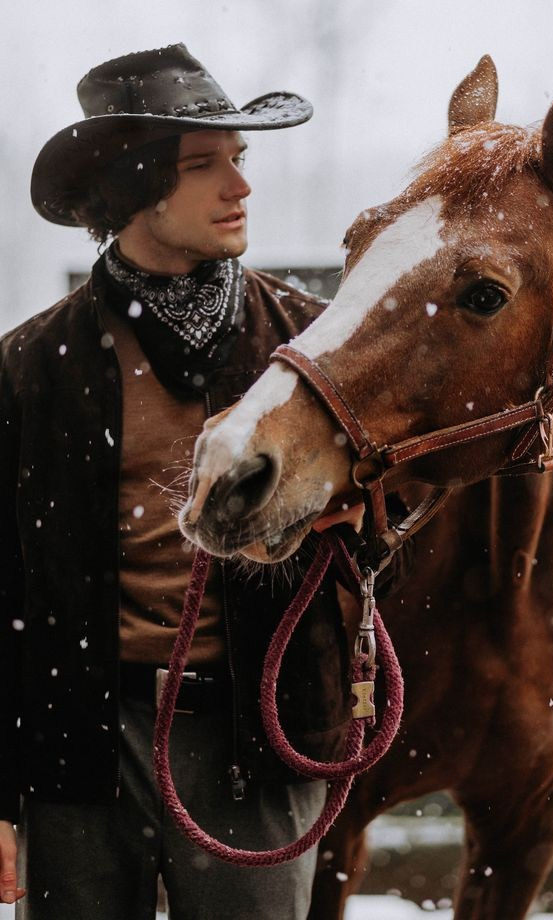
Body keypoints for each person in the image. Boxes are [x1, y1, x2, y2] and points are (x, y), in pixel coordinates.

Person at [0, 44, 407, 920]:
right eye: (203, 165)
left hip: (253, 738)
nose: (240, 186)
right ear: (132, 190)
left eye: (240, 158)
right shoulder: (32, 366)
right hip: (77, 744)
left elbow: (398, 518)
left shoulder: (308, 345)